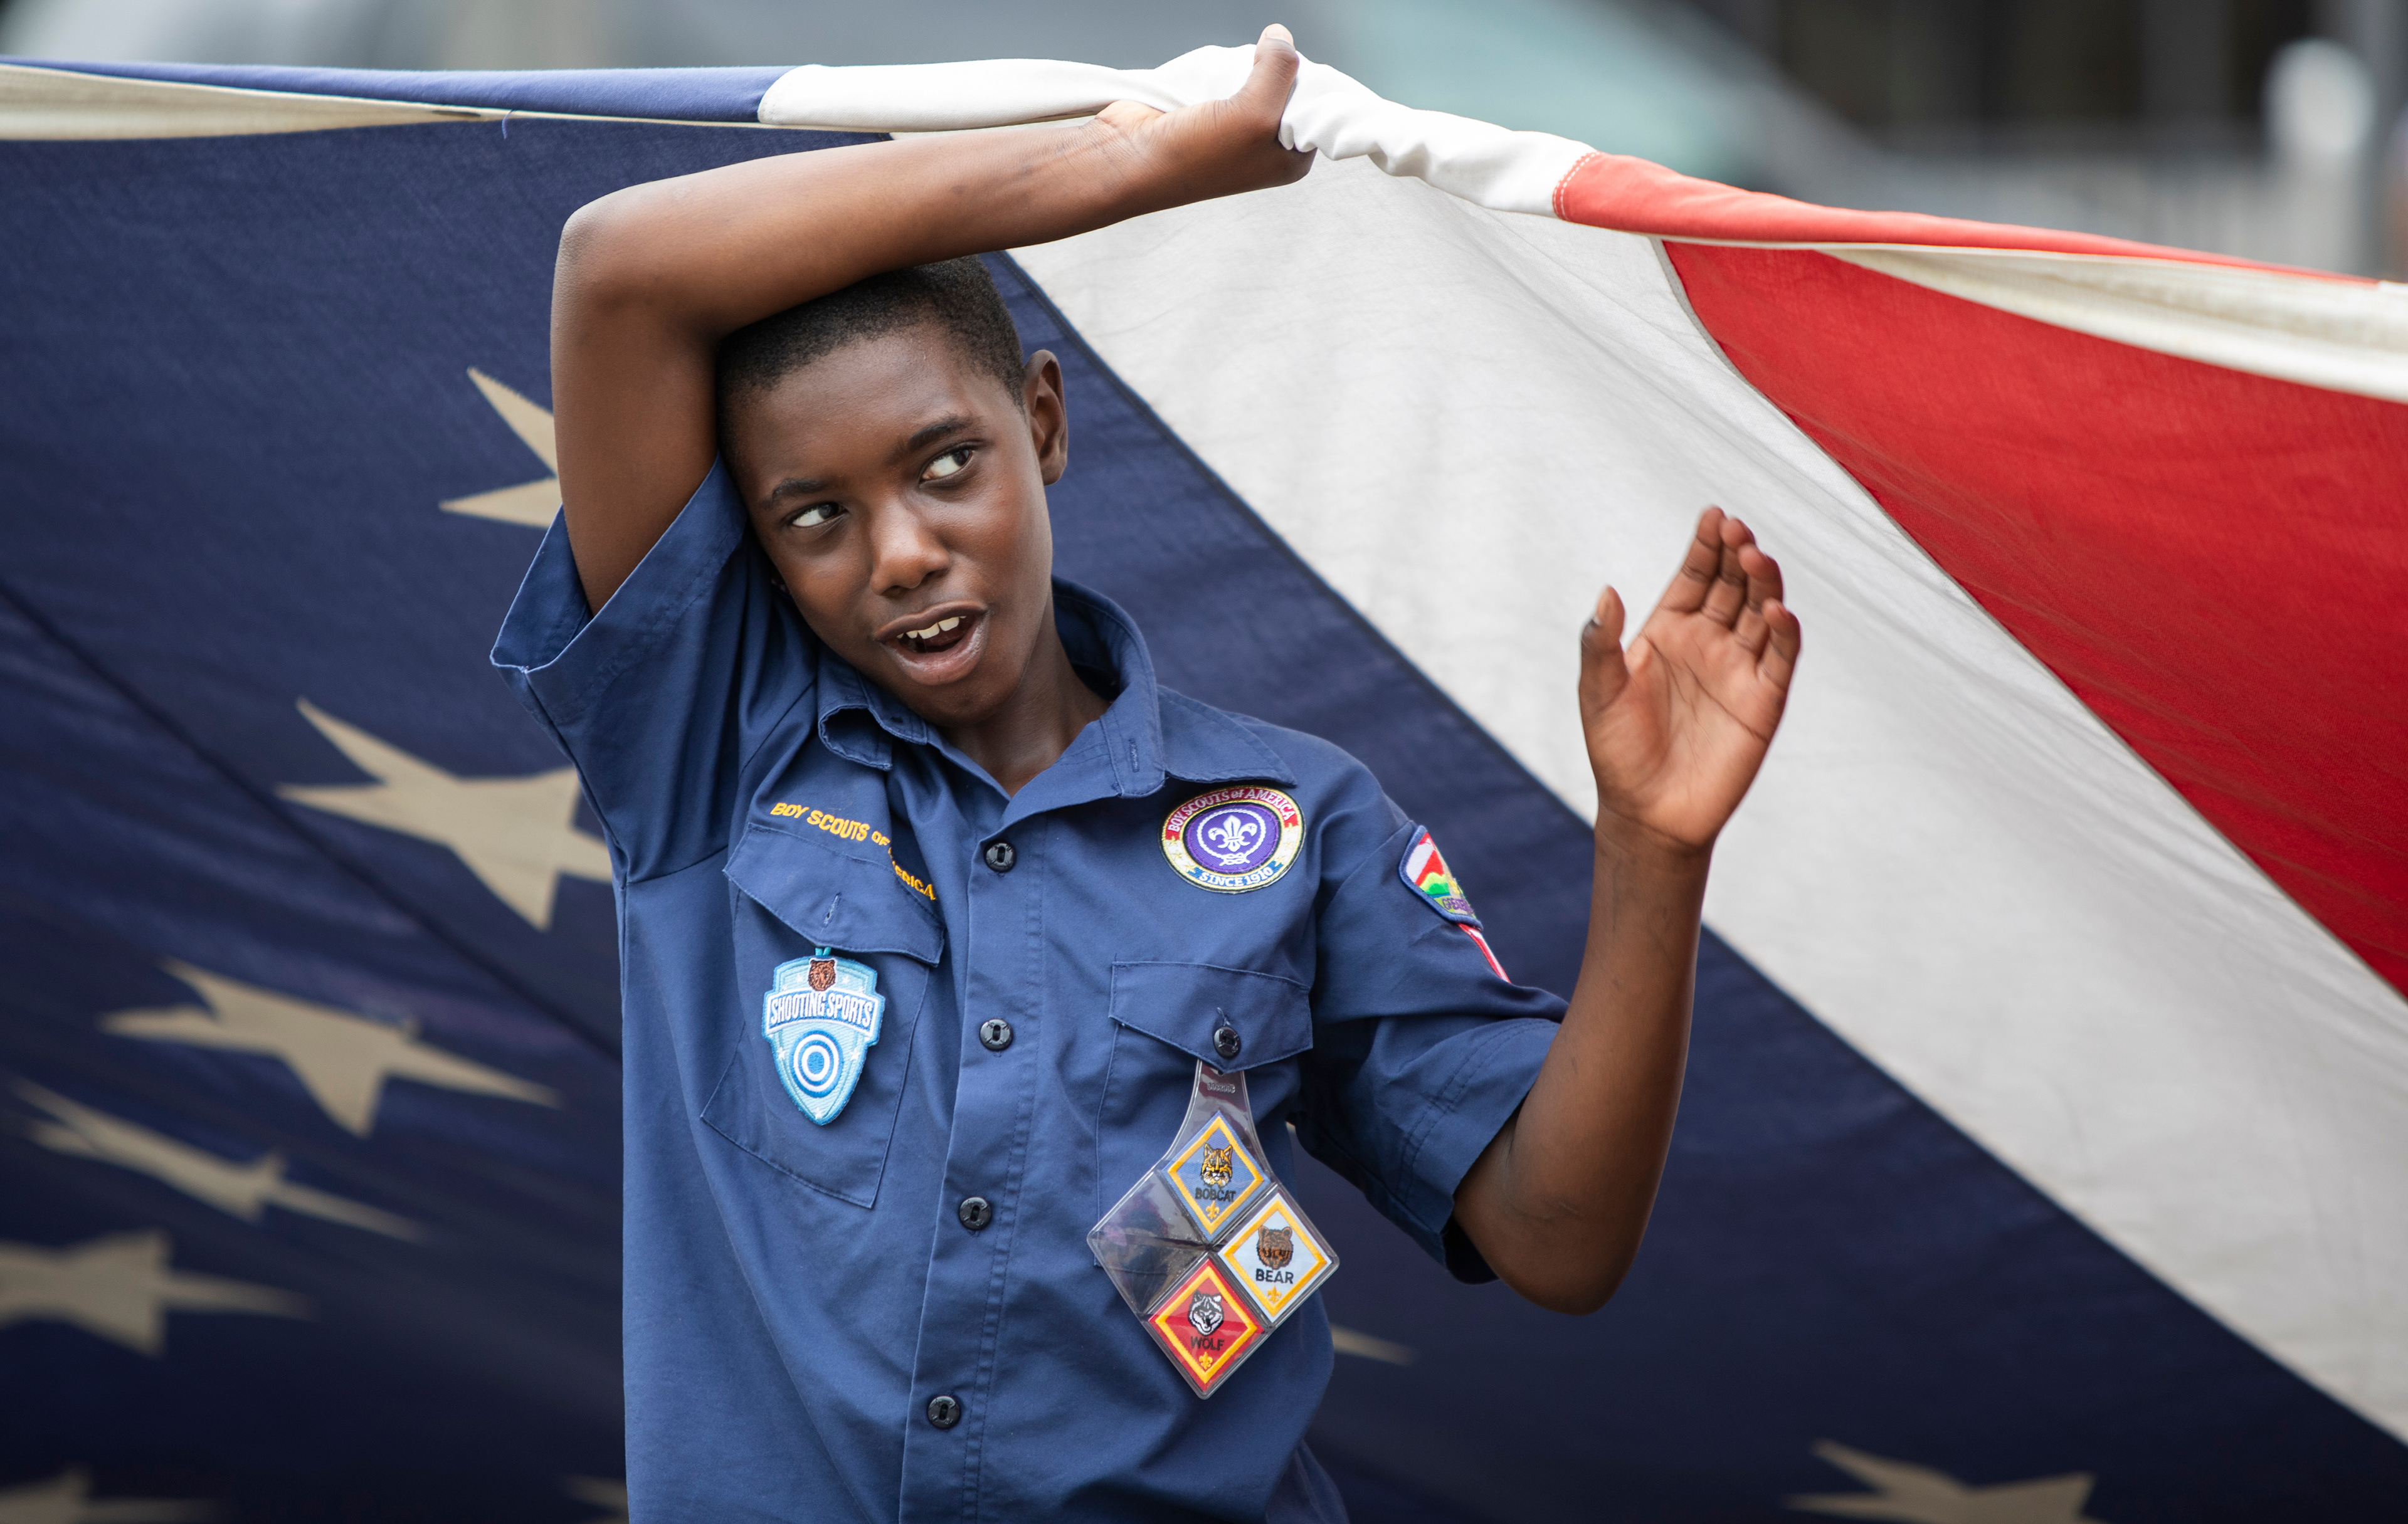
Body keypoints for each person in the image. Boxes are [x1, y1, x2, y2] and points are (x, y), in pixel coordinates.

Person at [495, 23, 1799, 1523]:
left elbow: (1559, 1241)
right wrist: (1127, 165)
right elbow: (617, 268)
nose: (903, 550)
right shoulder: (711, 743)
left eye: (942, 465)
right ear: (759, 550)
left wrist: (1652, 849)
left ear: (1040, 423)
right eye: (813, 515)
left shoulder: (1302, 826)